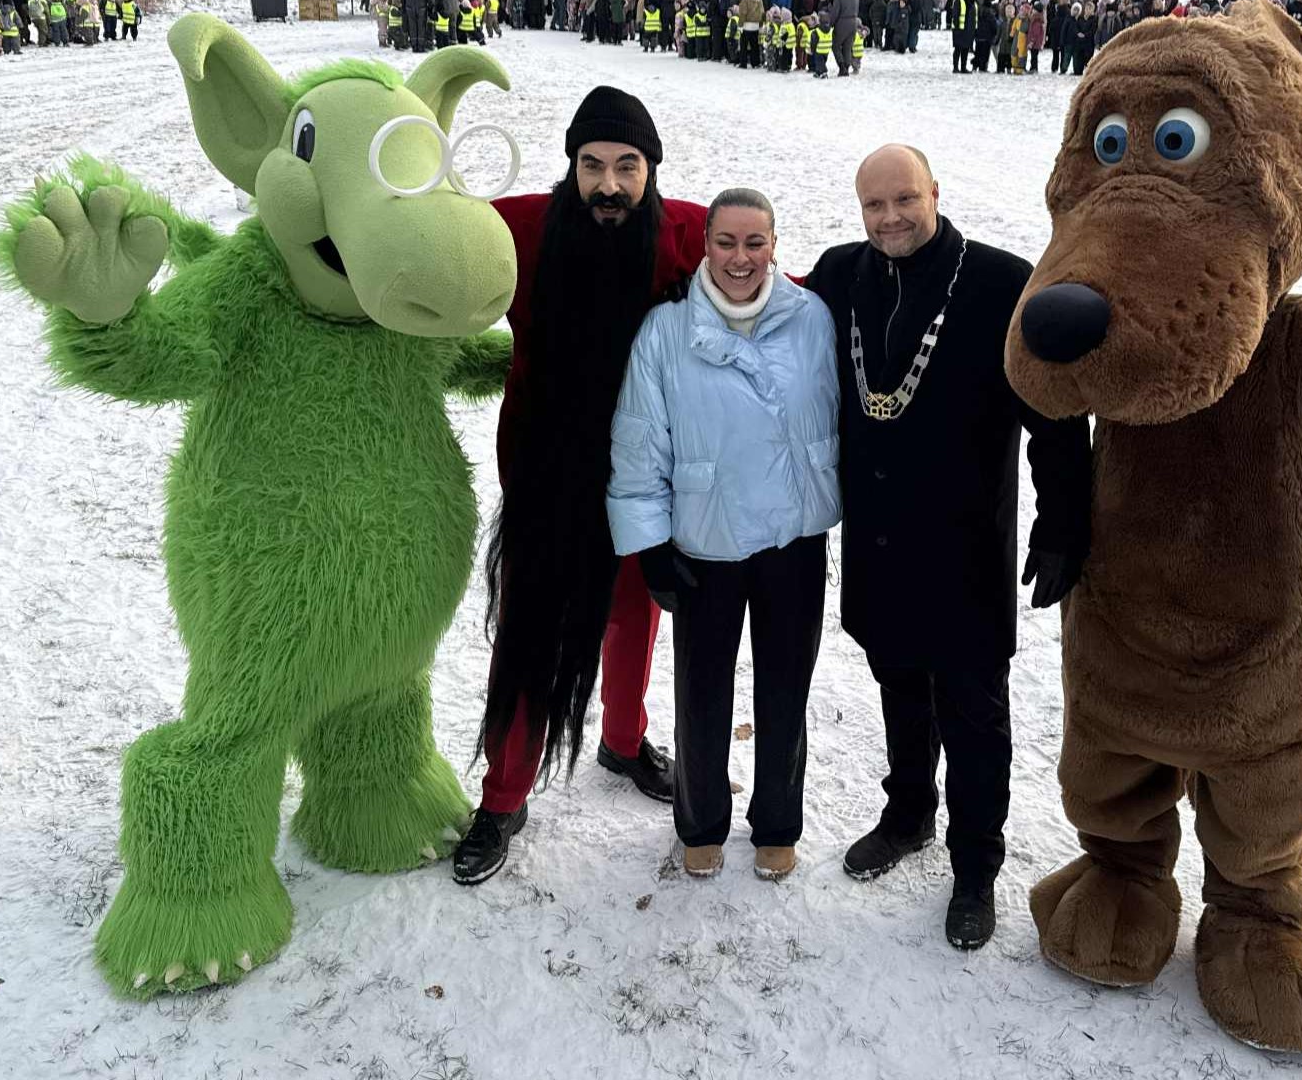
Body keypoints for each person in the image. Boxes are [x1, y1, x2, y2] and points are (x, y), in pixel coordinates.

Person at [803, 146, 1092, 951]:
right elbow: (769, 332)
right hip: (878, 539)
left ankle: (975, 865)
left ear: (935, 192)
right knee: (898, 684)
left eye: (904, 199)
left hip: (964, 542)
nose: (889, 217)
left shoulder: (1001, 282)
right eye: (873, 205)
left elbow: (1055, 408)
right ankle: (906, 816)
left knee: (971, 711)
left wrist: (1063, 517)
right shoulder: (840, 275)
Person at [454, 88, 711, 886]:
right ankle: (503, 796)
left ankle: (624, 741)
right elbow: (426, 243)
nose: (608, 184)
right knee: (531, 636)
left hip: (645, 479)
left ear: (650, 171)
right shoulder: (521, 227)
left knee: (635, 615)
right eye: (592, 165)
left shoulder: (683, 235)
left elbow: (765, 277)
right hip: (547, 475)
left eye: (626, 167)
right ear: (571, 167)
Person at [608, 188, 840, 881]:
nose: (742, 258)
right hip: (704, 538)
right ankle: (700, 819)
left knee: (784, 688)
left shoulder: (812, 319)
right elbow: (640, 442)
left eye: (756, 242)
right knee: (703, 691)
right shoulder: (666, 332)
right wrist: (651, 544)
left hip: (793, 537)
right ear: (705, 244)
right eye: (727, 242)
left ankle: (777, 821)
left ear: (775, 244)